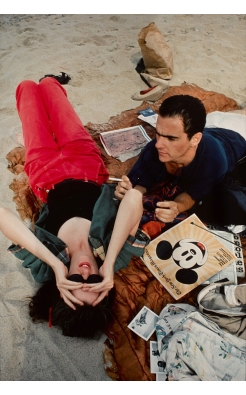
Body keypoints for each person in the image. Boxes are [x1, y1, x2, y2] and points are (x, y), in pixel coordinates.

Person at [0, 77, 149, 337]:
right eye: (93, 281)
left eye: (74, 280)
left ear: (61, 285)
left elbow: (2, 216)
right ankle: (50, 80)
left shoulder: (47, 267)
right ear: (105, 284)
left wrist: (57, 267)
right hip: (86, 165)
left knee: (25, 89)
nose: (84, 272)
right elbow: (134, 199)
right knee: (49, 87)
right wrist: (109, 261)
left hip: (44, 172)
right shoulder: (113, 260)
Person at [112, 95, 246, 236]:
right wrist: (127, 193)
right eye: (158, 134)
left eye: (171, 138)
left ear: (195, 139)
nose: (158, 144)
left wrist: (177, 207)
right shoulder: (153, 149)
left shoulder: (213, 162)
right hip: (210, 125)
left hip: (238, 131)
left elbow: (192, 196)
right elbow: (140, 185)